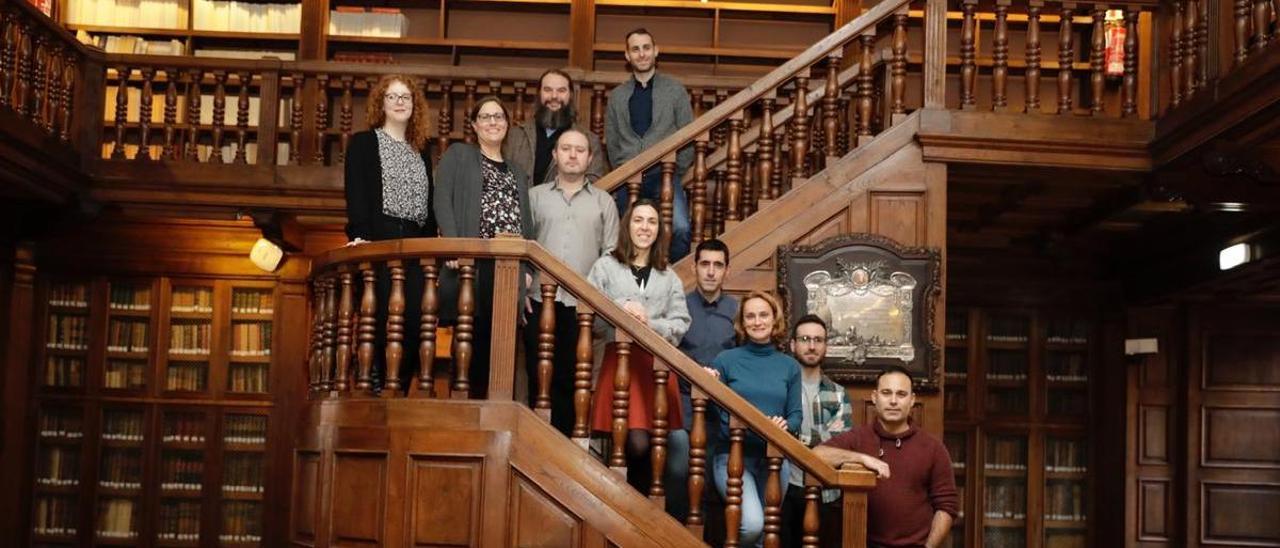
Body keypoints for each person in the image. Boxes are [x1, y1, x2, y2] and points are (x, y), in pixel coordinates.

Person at [587, 198, 691, 492]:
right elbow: (591, 315)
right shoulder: (605, 266)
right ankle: (628, 507)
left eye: (652, 222)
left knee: (655, 441)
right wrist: (623, 308)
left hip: (655, 367)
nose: (645, 227)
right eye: (638, 220)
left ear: (659, 230)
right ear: (627, 225)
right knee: (633, 441)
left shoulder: (668, 276)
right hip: (620, 364)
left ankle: (644, 512)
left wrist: (650, 323)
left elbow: (681, 323)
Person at [434, 96, 534, 399]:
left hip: (506, 266)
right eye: (486, 117)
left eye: (499, 117)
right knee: (470, 340)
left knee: (500, 344)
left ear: (507, 125)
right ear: (475, 125)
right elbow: (442, 199)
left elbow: (526, 224)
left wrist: (526, 270)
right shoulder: (459, 155)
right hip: (470, 262)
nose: (493, 122)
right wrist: (454, 246)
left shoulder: (516, 171)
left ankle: (493, 411)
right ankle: (467, 408)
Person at [343, 73, 436, 390]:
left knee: (414, 321)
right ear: (380, 103)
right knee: (381, 316)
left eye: (405, 97)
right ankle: (375, 381)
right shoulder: (364, 143)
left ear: (415, 105)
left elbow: (429, 201)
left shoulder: (421, 150)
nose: (399, 102)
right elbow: (356, 192)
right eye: (392, 96)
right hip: (378, 239)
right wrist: (360, 234)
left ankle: (399, 383)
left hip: (415, 242)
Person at [524, 129, 619, 435]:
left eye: (580, 150)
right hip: (538, 300)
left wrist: (599, 301)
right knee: (536, 375)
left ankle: (562, 445)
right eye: (566, 148)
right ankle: (533, 446)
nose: (573, 154)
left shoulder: (604, 202)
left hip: (581, 305)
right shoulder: (534, 196)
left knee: (571, 378)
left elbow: (611, 256)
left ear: (590, 158)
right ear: (555, 155)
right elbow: (521, 245)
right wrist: (519, 289)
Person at [814, 366, 959, 548]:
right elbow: (816, 456)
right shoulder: (858, 438)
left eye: (901, 394)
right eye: (886, 393)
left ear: (912, 400)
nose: (893, 401)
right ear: (875, 397)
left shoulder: (933, 448)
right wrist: (862, 459)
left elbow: (946, 507)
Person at [706, 290, 802, 547]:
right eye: (750, 316)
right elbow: (720, 417)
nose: (757, 321)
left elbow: (795, 415)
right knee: (752, 525)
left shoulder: (789, 366)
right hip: (732, 458)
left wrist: (785, 425)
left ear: (775, 320)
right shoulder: (725, 361)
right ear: (742, 322)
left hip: (774, 461)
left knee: (765, 536)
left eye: (763, 315)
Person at [605, 28, 694, 262]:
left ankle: (671, 281)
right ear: (627, 55)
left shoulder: (675, 91)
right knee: (625, 237)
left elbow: (689, 136)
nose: (642, 54)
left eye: (646, 47)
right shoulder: (617, 96)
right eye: (635, 49)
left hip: (664, 174)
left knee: (680, 229)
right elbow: (612, 142)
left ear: (656, 51)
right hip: (629, 178)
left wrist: (675, 170)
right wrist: (624, 169)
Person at [668, 238, 737, 521]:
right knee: (678, 474)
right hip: (682, 409)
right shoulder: (679, 307)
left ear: (726, 271)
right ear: (695, 267)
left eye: (717, 265)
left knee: (711, 484)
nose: (711, 271)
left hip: (720, 412)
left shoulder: (737, 310)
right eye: (705, 264)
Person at [779, 315, 853, 548]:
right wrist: (818, 441)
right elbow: (774, 435)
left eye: (818, 340)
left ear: (825, 347)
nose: (811, 346)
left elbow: (839, 445)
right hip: (784, 489)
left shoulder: (839, 394)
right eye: (805, 339)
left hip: (825, 492)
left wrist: (794, 438)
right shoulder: (780, 389)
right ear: (793, 345)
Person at [504, 69, 608, 186]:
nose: (554, 96)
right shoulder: (515, 136)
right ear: (539, 94)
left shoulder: (589, 140)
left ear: (571, 96)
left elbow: (593, 185)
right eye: (548, 90)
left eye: (561, 90)